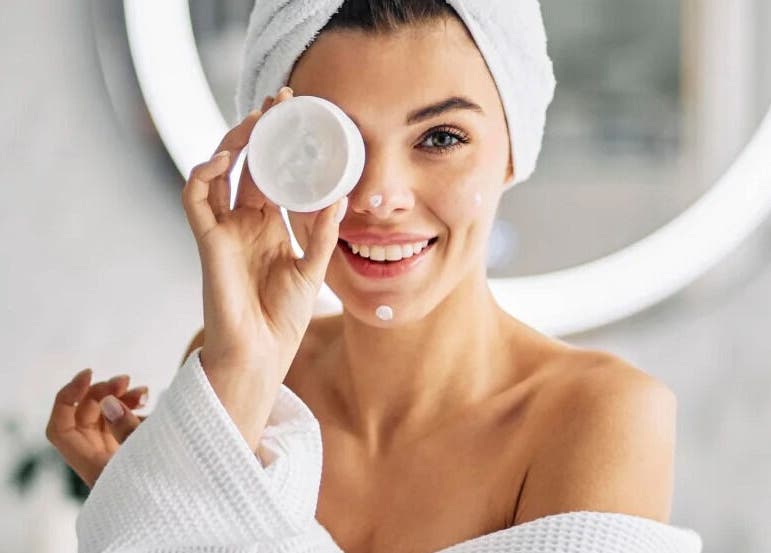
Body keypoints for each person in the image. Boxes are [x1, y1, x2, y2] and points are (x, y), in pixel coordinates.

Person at [46, 1, 702, 551]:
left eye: (440, 138)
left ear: (510, 152)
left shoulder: (598, 417)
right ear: (272, 158)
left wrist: (180, 505)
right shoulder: (244, 375)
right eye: (333, 143)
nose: (379, 195)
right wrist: (161, 488)